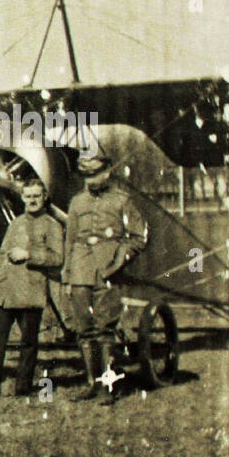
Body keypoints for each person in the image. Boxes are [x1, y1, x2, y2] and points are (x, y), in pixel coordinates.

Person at [62, 152, 148, 402]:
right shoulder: (77, 202)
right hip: (80, 270)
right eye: (86, 175)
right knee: (84, 329)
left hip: (109, 270)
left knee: (105, 329)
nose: (91, 179)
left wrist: (121, 257)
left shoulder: (123, 201)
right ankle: (92, 382)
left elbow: (139, 237)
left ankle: (108, 386)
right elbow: (69, 240)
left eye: (95, 173)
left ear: (107, 171)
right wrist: (67, 276)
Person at [0, 178, 63, 399]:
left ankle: (22, 387)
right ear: (22, 198)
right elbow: (3, 252)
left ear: (44, 197)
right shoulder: (15, 223)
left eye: (36, 196)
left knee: (28, 342)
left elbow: (57, 258)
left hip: (30, 291)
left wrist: (29, 255)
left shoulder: (52, 226)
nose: (32, 200)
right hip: (6, 292)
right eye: (28, 196)